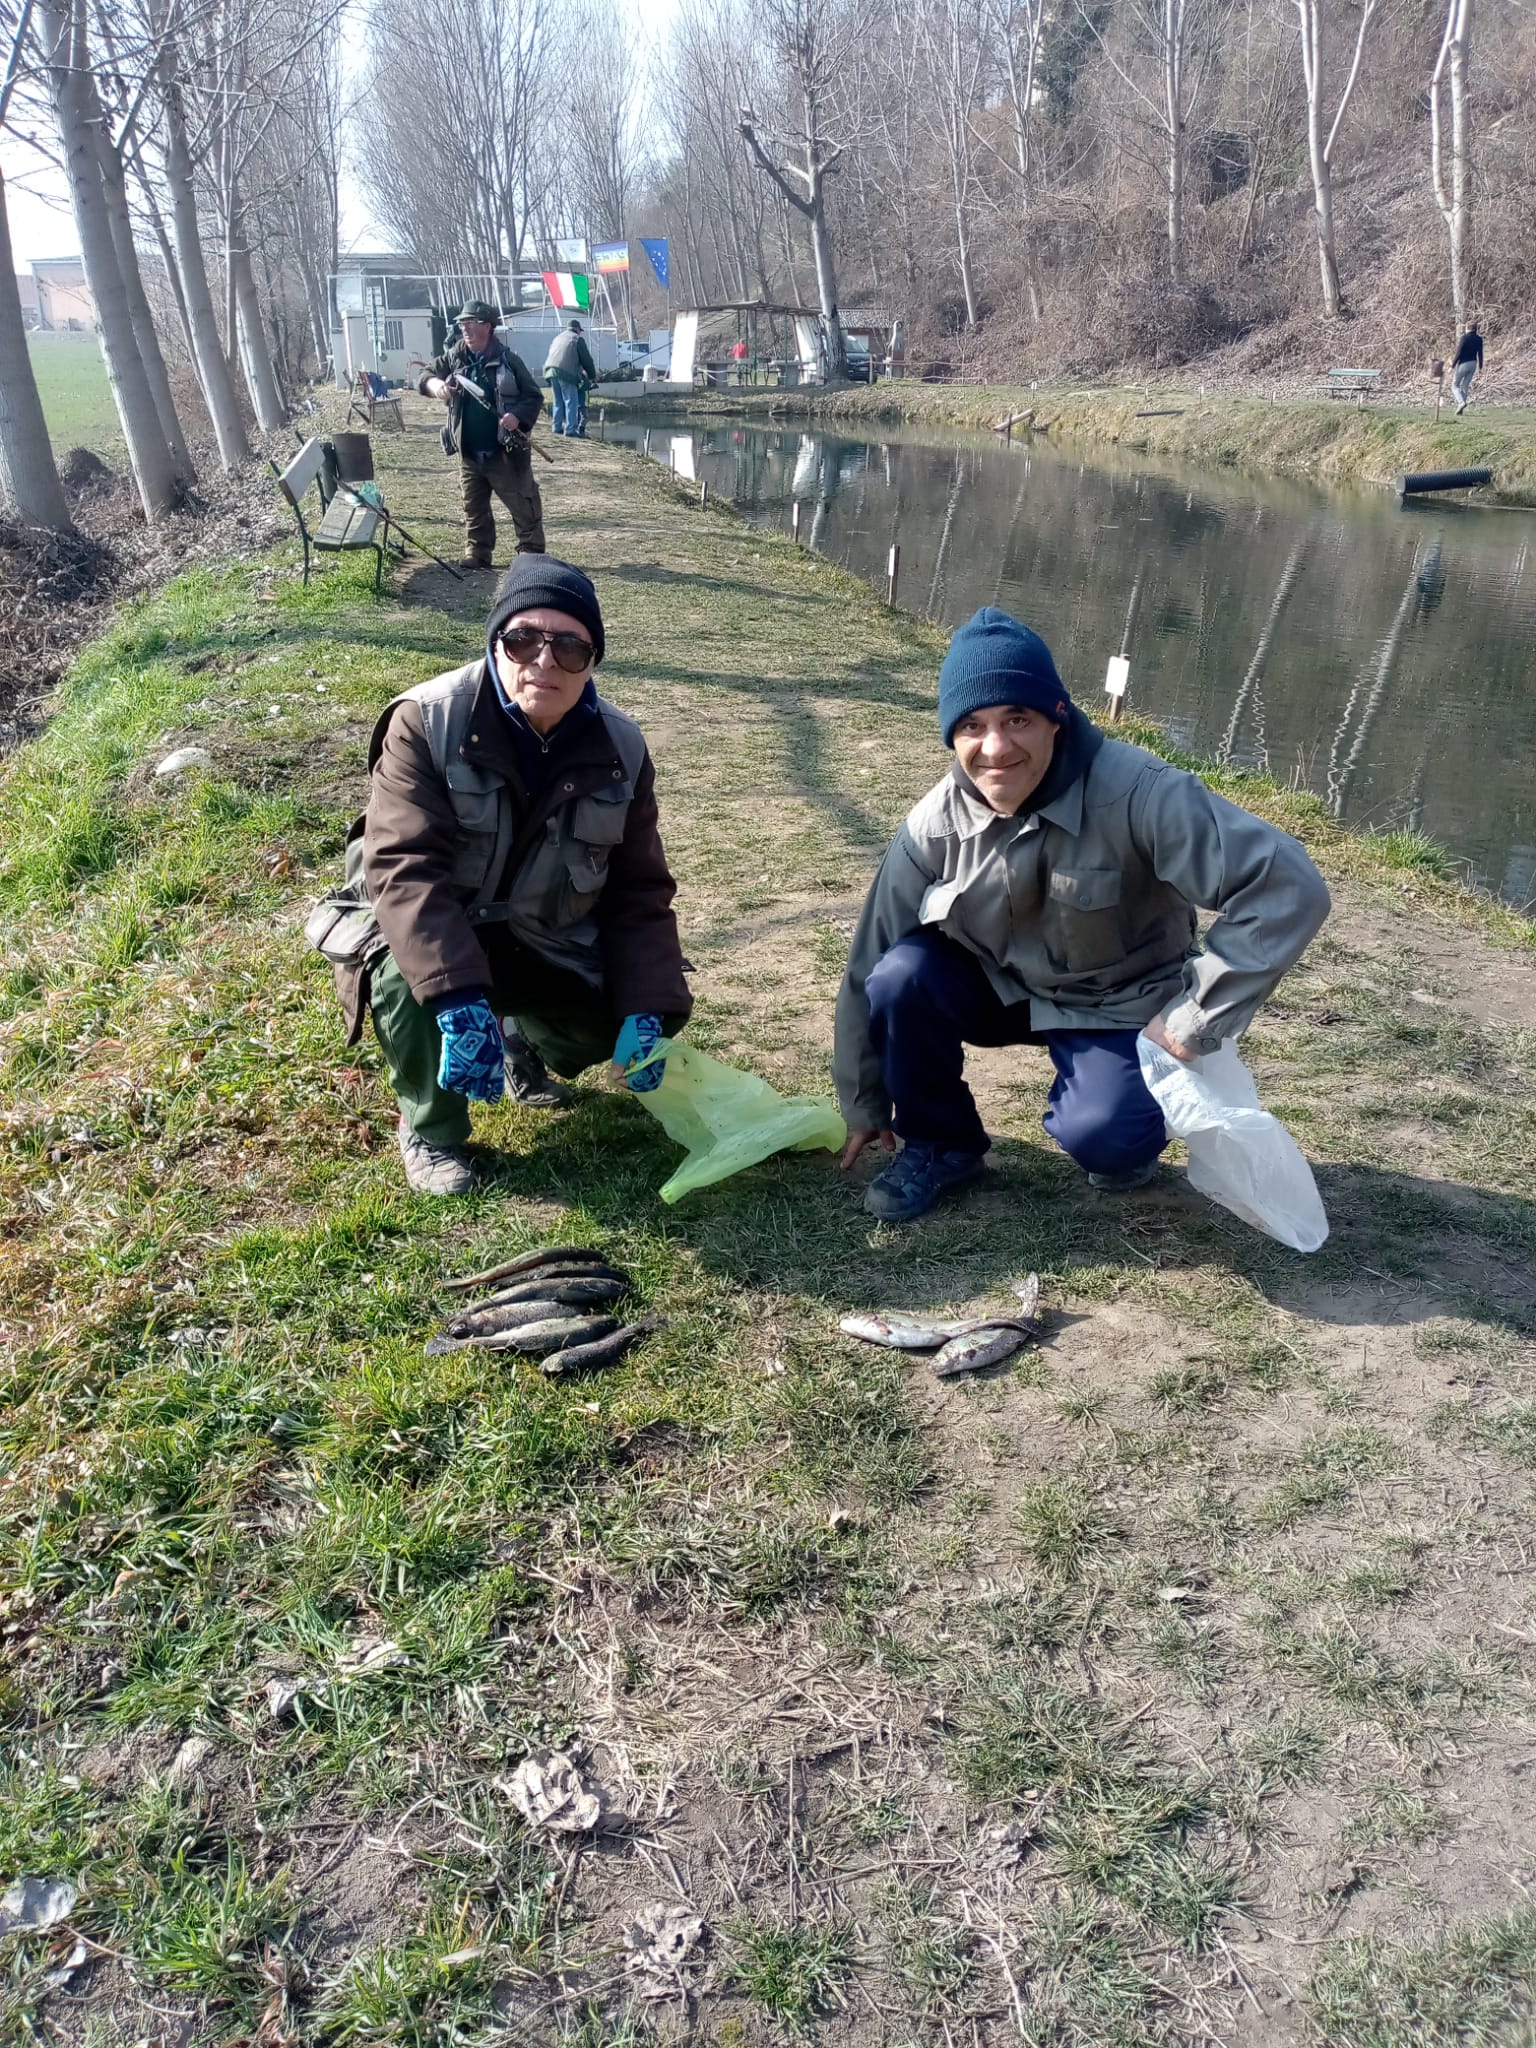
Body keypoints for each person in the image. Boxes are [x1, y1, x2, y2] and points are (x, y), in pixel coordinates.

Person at [833, 608, 1331, 1221]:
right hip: (1000, 984)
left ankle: (1126, 1121)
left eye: (1017, 718)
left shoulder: (1143, 792)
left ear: (1057, 718)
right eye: (972, 726)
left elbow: (1288, 886)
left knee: (1109, 1145)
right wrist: (863, 1102)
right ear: (951, 737)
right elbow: (867, 961)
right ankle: (942, 1145)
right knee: (901, 975)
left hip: (1116, 997)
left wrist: (1195, 1016)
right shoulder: (933, 822)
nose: (996, 747)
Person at [339, 557, 691, 1196]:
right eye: (524, 640)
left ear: (592, 661)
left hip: (543, 932)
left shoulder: (624, 748)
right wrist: (454, 993)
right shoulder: (423, 721)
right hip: (437, 922)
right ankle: (432, 1130)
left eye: (570, 647)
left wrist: (649, 1006)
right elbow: (404, 869)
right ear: (496, 643)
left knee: (644, 1010)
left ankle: (522, 1043)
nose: (545, 661)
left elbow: (639, 890)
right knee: (405, 976)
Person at [421, 301, 545, 569]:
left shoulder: (509, 360)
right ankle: (478, 552)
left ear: (487, 327)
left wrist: (517, 417)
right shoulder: (454, 357)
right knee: (473, 506)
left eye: (470, 323)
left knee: (523, 503)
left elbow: (534, 396)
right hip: (469, 451)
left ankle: (531, 552)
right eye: (461, 324)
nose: (464, 328)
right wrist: (437, 386)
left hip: (505, 451)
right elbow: (426, 374)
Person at [544, 319, 598, 438]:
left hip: (550, 371)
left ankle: (556, 428)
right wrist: (593, 376)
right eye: (580, 330)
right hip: (566, 373)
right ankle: (570, 430)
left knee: (558, 401)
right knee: (571, 401)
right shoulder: (577, 339)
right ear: (577, 329)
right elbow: (587, 360)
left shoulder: (557, 338)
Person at [1451, 324, 1483, 413]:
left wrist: (1452, 366)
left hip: (1463, 364)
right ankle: (1460, 409)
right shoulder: (1479, 339)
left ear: (1467, 328)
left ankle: (1461, 403)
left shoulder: (1464, 338)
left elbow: (1459, 353)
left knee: (1455, 385)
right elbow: (1480, 354)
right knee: (1465, 385)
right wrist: (1480, 367)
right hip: (1473, 363)